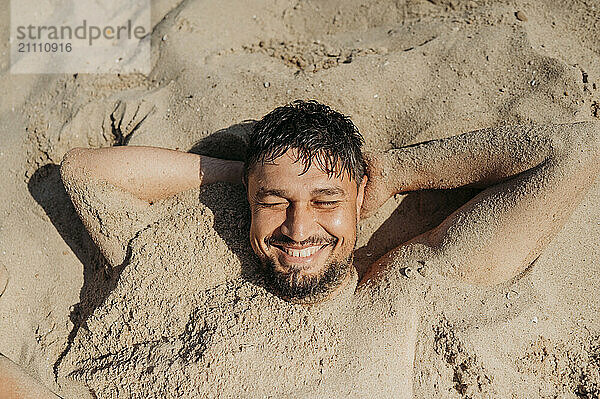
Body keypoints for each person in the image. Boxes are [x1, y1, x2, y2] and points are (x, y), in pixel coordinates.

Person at [1, 100, 598, 397]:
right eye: (275, 200)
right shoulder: (184, 265)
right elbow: (82, 174)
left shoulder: (399, 289)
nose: (298, 227)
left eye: (325, 200)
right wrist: (241, 174)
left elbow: (569, 152)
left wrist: (397, 169)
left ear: (361, 197)